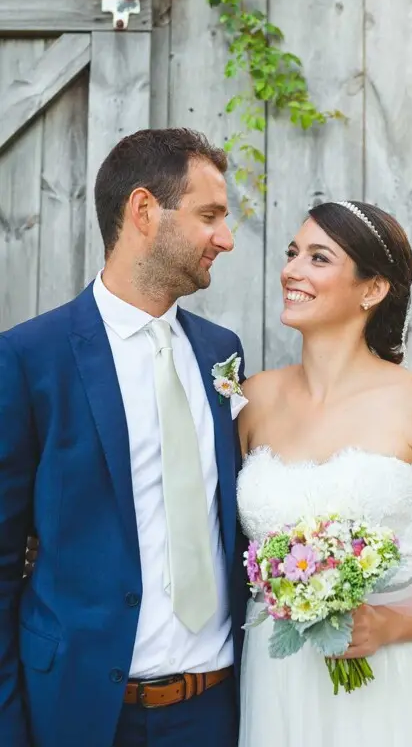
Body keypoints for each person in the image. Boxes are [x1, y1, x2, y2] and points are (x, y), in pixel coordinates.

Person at [0, 128, 248, 747]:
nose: (226, 237)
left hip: (214, 709)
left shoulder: (222, 354)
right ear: (144, 211)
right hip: (78, 711)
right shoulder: (31, 358)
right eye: (209, 215)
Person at [237, 200, 412, 747]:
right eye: (293, 253)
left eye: (319, 258)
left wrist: (389, 624)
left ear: (373, 289)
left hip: (394, 684)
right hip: (278, 683)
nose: (292, 270)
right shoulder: (253, 400)